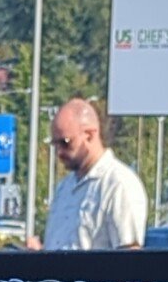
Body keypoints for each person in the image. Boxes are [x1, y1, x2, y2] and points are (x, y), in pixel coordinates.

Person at [42, 98, 148, 252]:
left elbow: (129, 257)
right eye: (55, 144)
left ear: (90, 135)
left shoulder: (119, 183)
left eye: (65, 143)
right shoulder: (64, 187)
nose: (59, 152)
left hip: (94, 276)